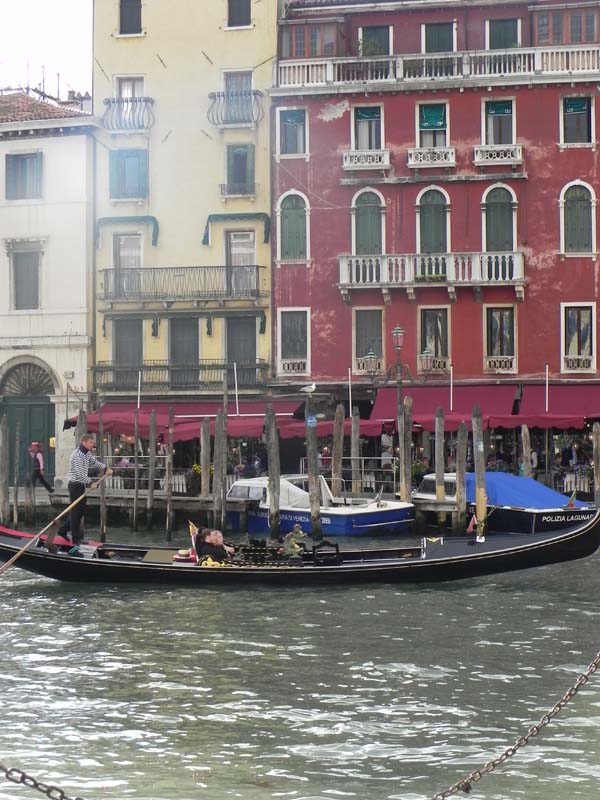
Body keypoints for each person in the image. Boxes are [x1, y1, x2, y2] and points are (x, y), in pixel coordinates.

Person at [67, 434, 112, 546]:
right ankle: (75, 538)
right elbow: (79, 473)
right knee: (76, 512)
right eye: (91, 442)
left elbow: (95, 463)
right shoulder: (77, 455)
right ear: (84, 442)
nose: (93, 444)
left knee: (81, 511)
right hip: (74, 485)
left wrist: (106, 468)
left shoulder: (87, 453)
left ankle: (63, 530)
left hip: (81, 485)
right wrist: (90, 483)